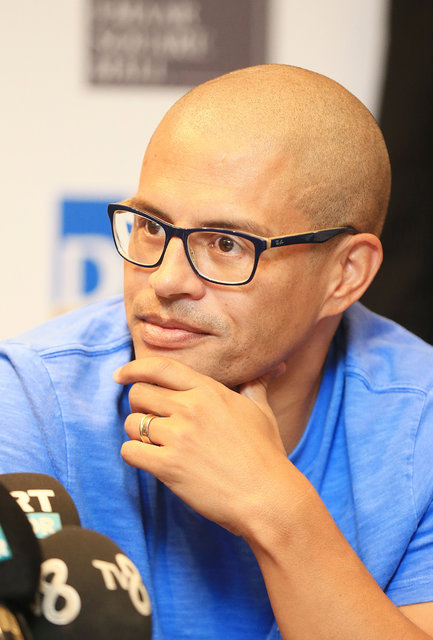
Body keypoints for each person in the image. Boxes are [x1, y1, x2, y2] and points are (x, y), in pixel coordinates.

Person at [1, 64, 433, 639]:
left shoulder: (420, 427)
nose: (165, 280)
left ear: (345, 273)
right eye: (151, 226)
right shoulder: (30, 397)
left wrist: (275, 508)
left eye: (227, 243)